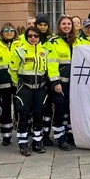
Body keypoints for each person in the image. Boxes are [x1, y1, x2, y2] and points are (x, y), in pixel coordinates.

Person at [9, 26, 51, 156]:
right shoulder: (19, 51)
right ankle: (23, 143)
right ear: (26, 37)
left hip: (40, 88)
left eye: (36, 36)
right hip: (25, 88)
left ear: (39, 37)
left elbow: (48, 69)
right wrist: (18, 85)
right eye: (30, 36)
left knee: (39, 114)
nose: (33, 38)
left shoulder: (45, 51)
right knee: (24, 114)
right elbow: (12, 70)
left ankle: (38, 142)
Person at [45, 15, 82, 150]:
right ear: (59, 26)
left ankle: (69, 135)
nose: (67, 26)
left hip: (75, 84)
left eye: (69, 24)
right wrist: (55, 82)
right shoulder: (53, 42)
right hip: (61, 84)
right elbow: (51, 64)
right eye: (64, 24)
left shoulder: (77, 41)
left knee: (70, 109)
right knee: (59, 109)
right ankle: (59, 137)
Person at [0, 23, 18, 146]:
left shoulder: (20, 45)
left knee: (19, 108)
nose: (9, 32)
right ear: (1, 32)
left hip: (17, 83)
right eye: (6, 30)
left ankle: (21, 132)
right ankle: (6, 135)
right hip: (2, 83)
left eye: (11, 30)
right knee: (5, 110)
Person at [34, 14, 54, 146]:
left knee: (48, 109)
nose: (42, 27)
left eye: (44, 25)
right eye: (40, 24)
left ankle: (46, 134)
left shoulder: (52, 40)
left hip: (49, 78)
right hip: (35, 80)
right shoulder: (31, 39)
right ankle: (36, 134)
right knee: (36, 108)